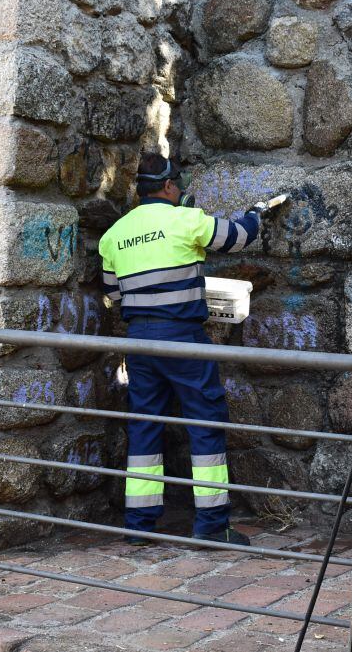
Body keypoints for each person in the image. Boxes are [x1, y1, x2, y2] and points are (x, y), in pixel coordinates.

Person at [98, 153, 277, 547]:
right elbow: (239, 236)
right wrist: (256, 213)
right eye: (178, 185)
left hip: (140, 342)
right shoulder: (185, 220)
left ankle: (139, 525)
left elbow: (113, 294)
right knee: (205, 422)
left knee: (144, 425)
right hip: (182, 340)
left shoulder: (114, 235)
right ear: (166, 186)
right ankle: (211, 525)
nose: (179, 191)